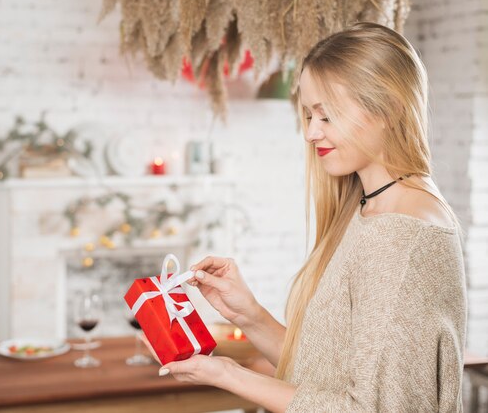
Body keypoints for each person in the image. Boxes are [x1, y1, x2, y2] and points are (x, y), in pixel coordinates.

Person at [157, 22, 467, 412]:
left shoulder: (401, 235)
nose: (310, 133)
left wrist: (229, 375)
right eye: (307, 116)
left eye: (326, 115)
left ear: (389, 108)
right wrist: (249, 315)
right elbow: (326, 373)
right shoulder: (373, 207)